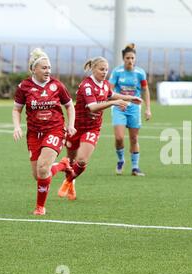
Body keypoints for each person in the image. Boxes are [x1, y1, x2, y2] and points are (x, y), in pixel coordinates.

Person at [57, 56, 142, 200]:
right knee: (71, 161)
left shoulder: (104, 84)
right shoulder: (87, 86)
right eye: (101, 69)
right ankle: (71, 185)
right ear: (93, 69)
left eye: (106, 69)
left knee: (82, 160)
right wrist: (114, 103)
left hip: (92, 128)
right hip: (76, 127)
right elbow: (92, 107)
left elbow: (111, 94)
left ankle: (68, 182)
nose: (105, 72)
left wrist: (129, 98)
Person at [12, 48, 76, 215]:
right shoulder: (24, 86)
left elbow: (69, 105)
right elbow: (16, 109)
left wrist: (71, 124)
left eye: (49, 67)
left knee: (42, 168)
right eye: (44, 68)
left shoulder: (57, 85)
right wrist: (17, 126)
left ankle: (40, 207)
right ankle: (63, 165)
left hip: (54, 130)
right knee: (39, 174)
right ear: (33, 69)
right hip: (33, 134)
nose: (48, 71)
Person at [109, 44, 152, 176]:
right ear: (123, 58)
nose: (130, 60)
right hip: (119, 107)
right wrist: (116, 101)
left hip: (134, 108)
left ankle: (135, 167)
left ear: (135, 59)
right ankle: (121, 160)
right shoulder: (117, 72)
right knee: (119, 137)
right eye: (128, 58)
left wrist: (148, 109)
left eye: (132, 58)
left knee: (134, 138)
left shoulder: (140, 73)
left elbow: (145, 90)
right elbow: (109, 90)